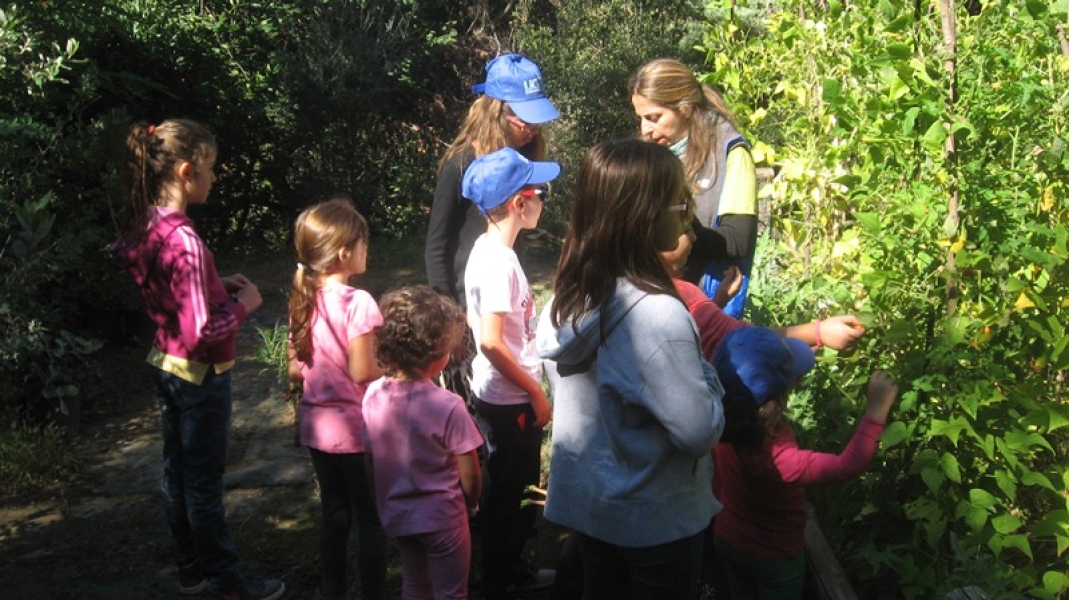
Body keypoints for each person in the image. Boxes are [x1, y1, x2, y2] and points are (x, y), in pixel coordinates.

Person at [536, 138, 724, 600]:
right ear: (644, 217)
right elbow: (698, 432)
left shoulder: (566, 302)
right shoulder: (657, 316)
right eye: (682, 205)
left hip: (594, 509)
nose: (689, 220)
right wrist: (711, 377)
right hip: (655, 519)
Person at [115, 119, 285, 600]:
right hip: (199, 376)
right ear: (186, 172)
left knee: (176, 473)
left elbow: (172, 292)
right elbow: (201, 334)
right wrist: (243, 306)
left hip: (165, 364)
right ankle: (228, 582)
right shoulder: (184, 241)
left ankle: (190, 569)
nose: (214, 177)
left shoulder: (146, 224)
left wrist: (214, 283)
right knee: (204, 485)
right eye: (209, 169)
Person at [711, 327, 899, 600]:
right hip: (774, 559)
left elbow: (752, 385)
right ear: (777, 400)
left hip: (728, 537)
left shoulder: (717, 422)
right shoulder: (778, 461)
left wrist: (786, 368)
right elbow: (849, 464)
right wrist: (876, 410)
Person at [423, 52, 559, 412]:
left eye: (538, 120)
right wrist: (450, 320)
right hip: (467, 308)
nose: (533, 129)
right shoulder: (461, 164)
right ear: (496, 111)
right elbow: (436, 246)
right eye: (524, 119)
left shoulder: (524, 161)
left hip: (504, 303)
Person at [462, 146, 560, 600]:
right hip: (510, 399)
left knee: (505, 484)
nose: (544, 201)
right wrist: (535, 393)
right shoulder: (499, 264)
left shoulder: (485, 249)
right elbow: (490, 340)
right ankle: (504, 577)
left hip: (495, 391)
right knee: (516, 491)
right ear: (520, 203)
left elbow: (478, 322)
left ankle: (500, 566)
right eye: (542, 193)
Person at [285, 197, 387, 600]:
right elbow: (362, 371)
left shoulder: (303, 297)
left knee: (335, 513)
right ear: (345, 253)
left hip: (317, 430)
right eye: (363, 243)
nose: (367, 249)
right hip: (356, 433)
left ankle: (333, 590)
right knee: (371, 520)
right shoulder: (358, 302)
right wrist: (392, 364)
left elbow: (296, 370)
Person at [362, 285, 484, 600]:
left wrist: (380, 499)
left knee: (415, 583)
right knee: (451, 591)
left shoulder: (373, 395)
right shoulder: (449, 405)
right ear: (437, 350)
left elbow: (370, 458)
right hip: (444, 519)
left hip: (398, 516)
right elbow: (470, 474)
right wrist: (471, 504)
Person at [630, 58, 757, 318]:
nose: (645, 129)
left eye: (653, 118)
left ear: (685, 109)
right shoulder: (651, 152)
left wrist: (680, 228)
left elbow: (738, 240)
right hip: (653, 297)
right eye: (641, 118)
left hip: (709, 299)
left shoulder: (730, 153)